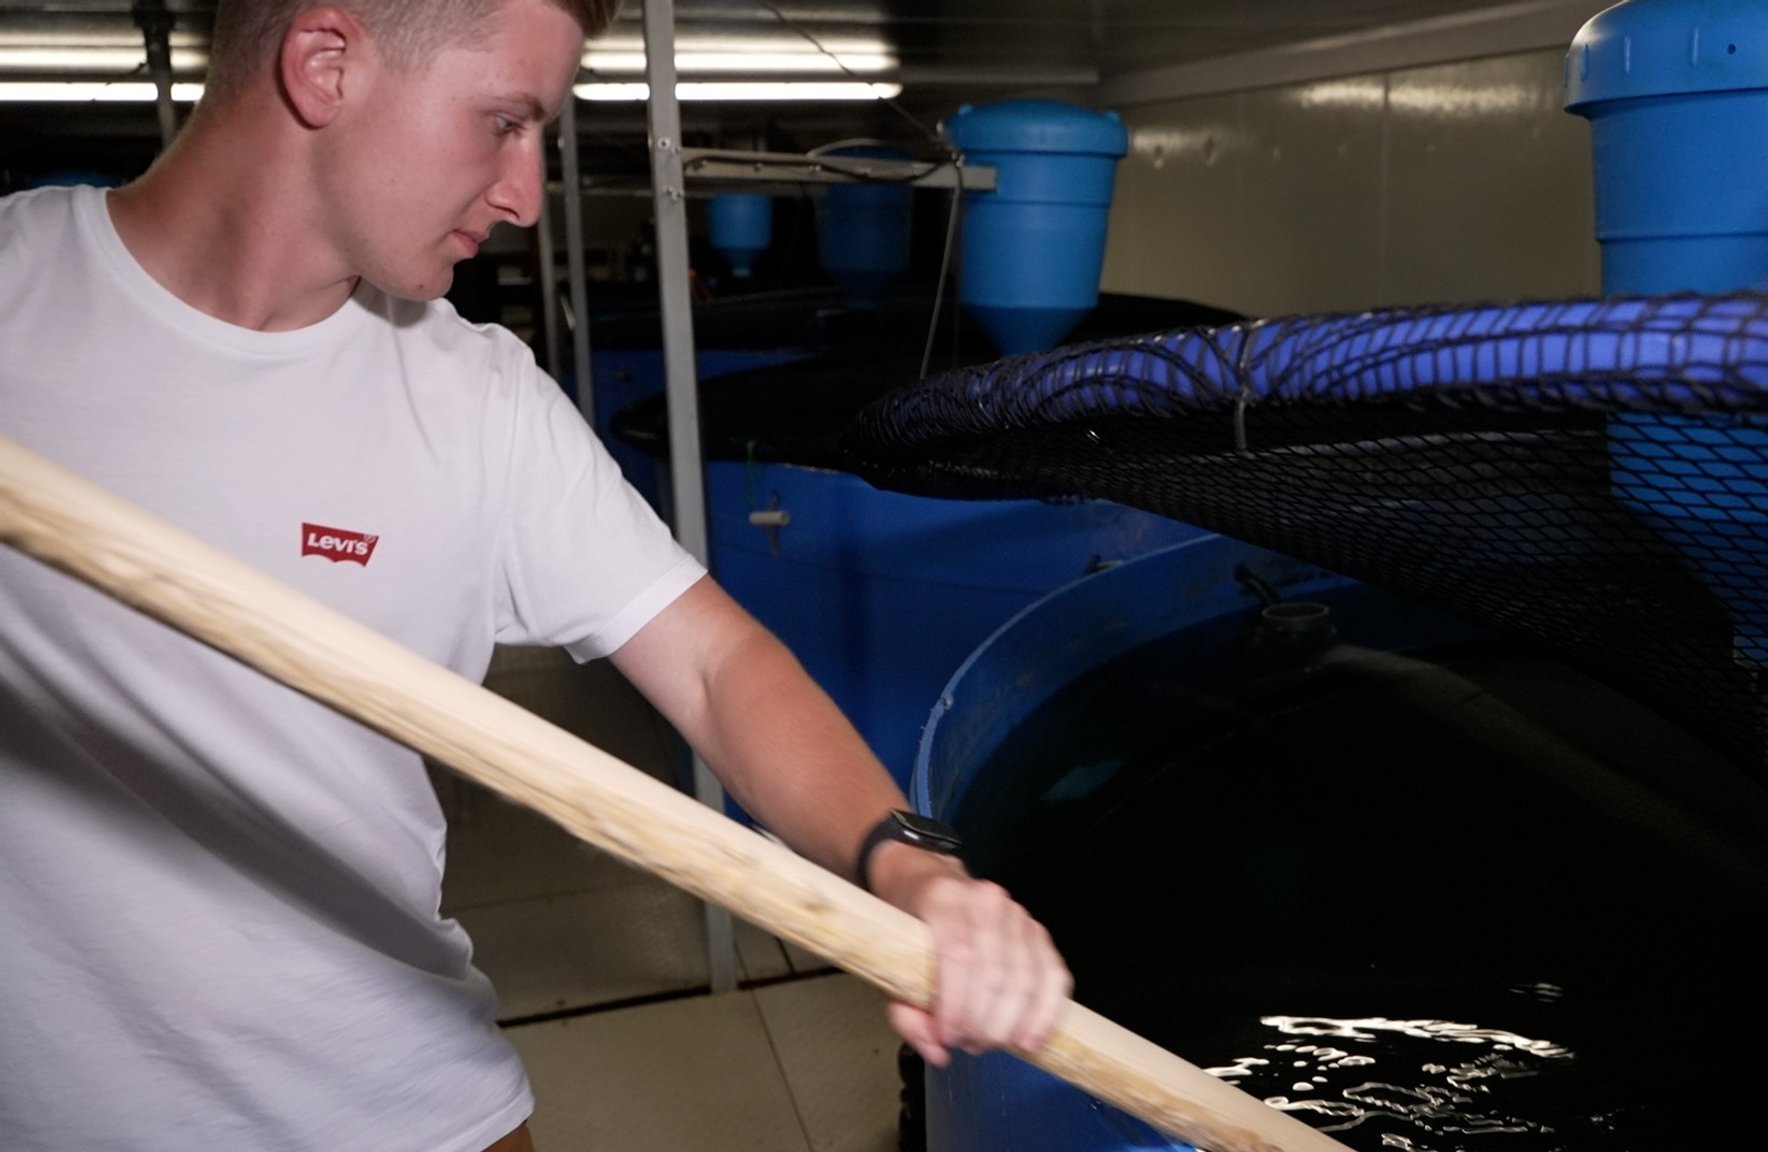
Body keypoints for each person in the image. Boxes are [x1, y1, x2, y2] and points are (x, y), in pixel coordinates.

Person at [0, 1, 1070, 1149]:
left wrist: (911, 873)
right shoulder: (16, 300)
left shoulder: (476, 397)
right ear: (325, 65)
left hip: (407, 1111)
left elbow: (713, 664)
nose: (523, 194)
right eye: (502, 122)